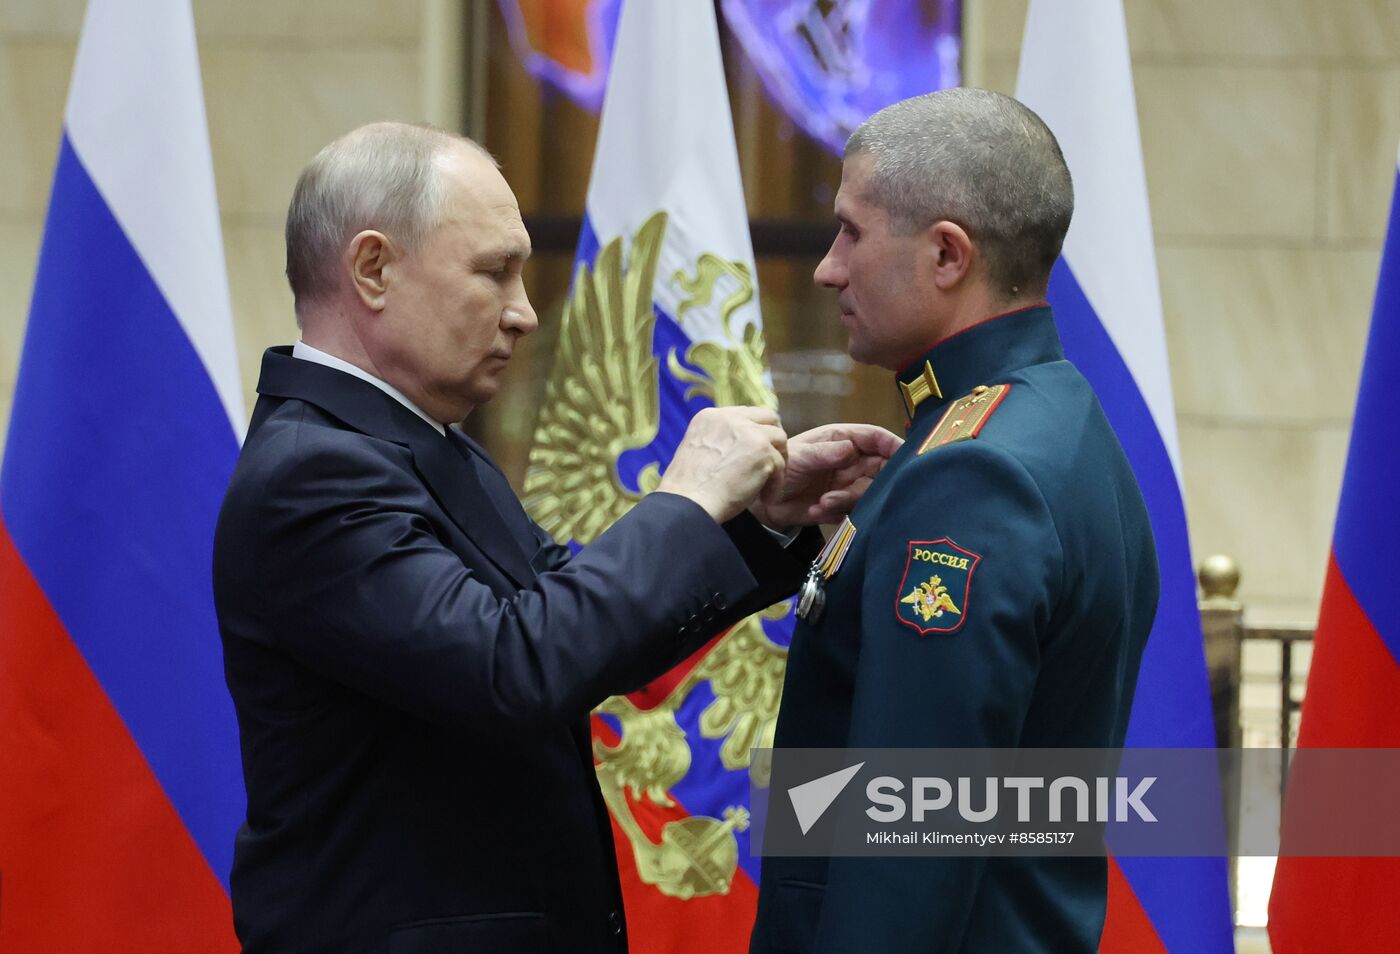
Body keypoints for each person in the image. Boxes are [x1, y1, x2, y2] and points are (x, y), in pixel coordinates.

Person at [213, 122, 898, 954]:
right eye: (493, 272)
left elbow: (573, 628)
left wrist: (755, 519)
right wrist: (684, 499)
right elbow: (515, 668)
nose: (525, 314)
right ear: (373, 268)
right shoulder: (311, 475)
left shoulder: (424, 443)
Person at [750, 89, 1160, 953]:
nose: (827, 268)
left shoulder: (974, 476)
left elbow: (903, 858)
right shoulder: (1053, 420)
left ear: (946, 254)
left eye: (852, 232)